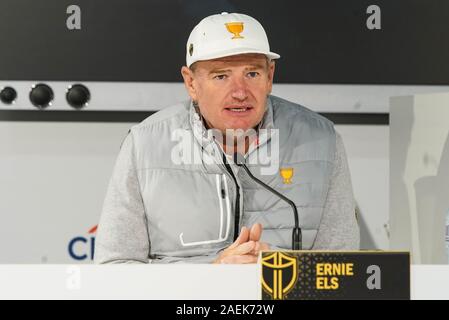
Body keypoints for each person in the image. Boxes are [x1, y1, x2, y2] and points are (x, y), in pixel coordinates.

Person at [95, 12, 359, 264]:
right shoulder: (145, 145)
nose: (240, 92)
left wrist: (280, 267)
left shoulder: (322, 142)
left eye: (252, 73)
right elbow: (115, 266)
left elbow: (343, 268)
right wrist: (213, 275)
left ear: (270, 76)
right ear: (191, 83)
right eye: (221, 76)